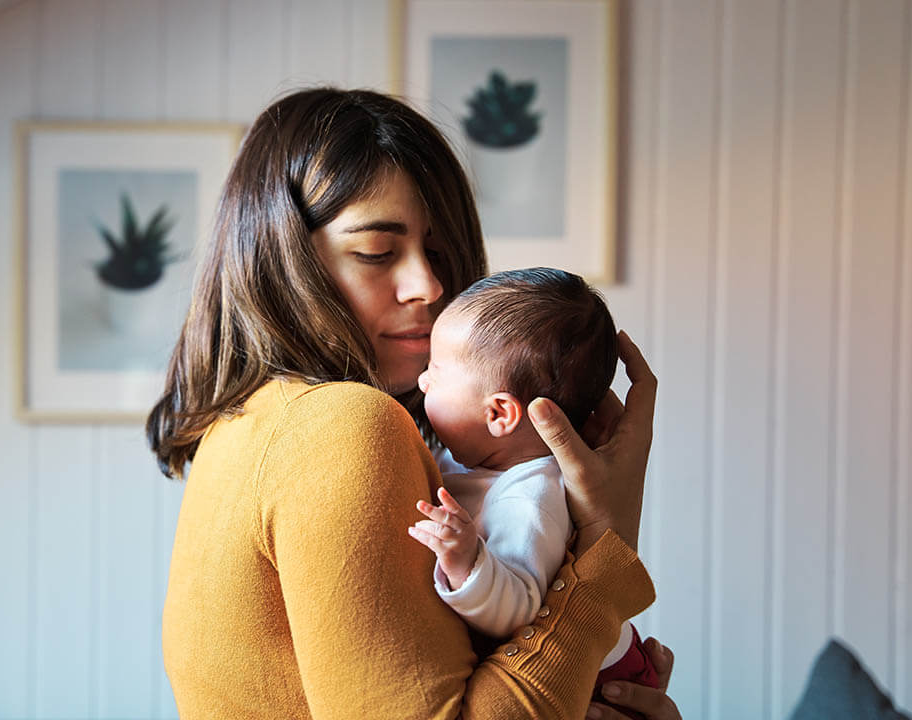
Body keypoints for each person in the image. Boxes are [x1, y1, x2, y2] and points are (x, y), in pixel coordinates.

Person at [146, 87, 681, 720]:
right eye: (377, 252)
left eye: (440, 252)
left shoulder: (247, 425)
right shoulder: (339, 425)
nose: (428, 284)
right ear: (284, 261)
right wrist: (604, 549)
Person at [408, 268, 660, 720]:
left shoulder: (530, 497)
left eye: (436, 371)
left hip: (600, 682)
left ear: (500, 413)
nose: (422, 382)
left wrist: (468, 562)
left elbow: (519, 608)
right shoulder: (472, 460)